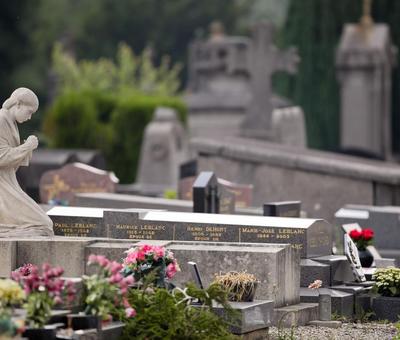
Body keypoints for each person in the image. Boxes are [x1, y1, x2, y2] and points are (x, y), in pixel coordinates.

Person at [0, 87, 53, 237]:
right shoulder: (1, 121)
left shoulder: (10, 122)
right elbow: (2, 157)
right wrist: (26, 147)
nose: (29, 117)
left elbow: (12, 162)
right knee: (42, 224)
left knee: (44, 225)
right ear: (18, 104)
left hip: (8, 182)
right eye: (29, 112)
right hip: (2, 188)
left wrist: (26, 149)